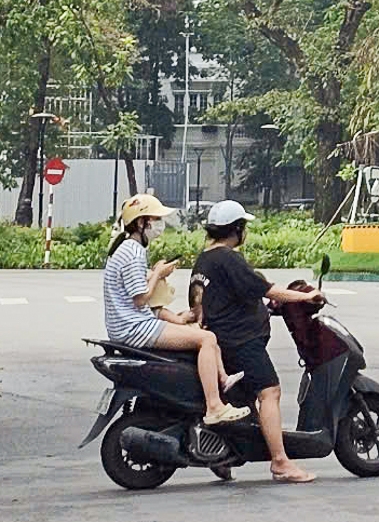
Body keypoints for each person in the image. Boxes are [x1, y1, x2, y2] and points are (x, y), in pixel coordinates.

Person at [190, 202, 321, 483]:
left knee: (241, 399)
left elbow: (230, 295)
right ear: (236, 229)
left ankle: (224, 456)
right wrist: (306, 297)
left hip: (223, 341)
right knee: (269, 393)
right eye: (243, 227)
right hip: (241, 342)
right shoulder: (229, 258)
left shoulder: (206, 259)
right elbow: (266, 288)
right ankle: (280, 462)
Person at [100, 193, 246, 426]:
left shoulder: (124, 249)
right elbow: (141, 299)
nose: (160, 224)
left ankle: (223, 379)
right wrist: (158, 273)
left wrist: (176, 315)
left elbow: (142, 297)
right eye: (155, 219)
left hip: (131, 325)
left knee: (195, 329)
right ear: (141, 223)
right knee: (207, 339)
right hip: (135, 329)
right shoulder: (133, 251)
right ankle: (214, 407)